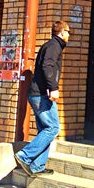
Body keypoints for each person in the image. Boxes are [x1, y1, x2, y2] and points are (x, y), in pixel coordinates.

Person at [14, 20, 70, 176]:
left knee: (45, 130)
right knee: (53, 128)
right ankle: (25, 156)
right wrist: (53, 88)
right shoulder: (54, 45)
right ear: (62, 32)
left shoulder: (51, 45)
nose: (69, 35)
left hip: (37, 94)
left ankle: (37, 166)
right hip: (41, 95)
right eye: (68, 32)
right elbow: (47, 66)